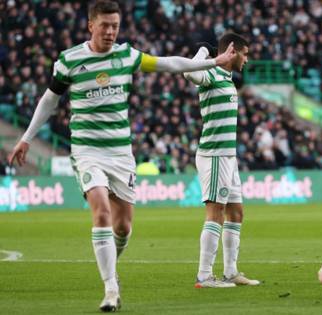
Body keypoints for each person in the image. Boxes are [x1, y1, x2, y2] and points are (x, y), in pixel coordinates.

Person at [6, 1, 235, 312]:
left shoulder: (127, 56)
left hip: (120, 153)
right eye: (105, 25)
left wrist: (214, 62)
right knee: (100, 210)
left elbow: (170, 64)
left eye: (115, 25)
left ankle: (111, 264)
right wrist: (26, 138)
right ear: (90, 25)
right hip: (87, 151)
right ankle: (111, 288)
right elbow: (50, 100)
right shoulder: (69, 61)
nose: (111, 31)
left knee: (123, 227)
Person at [183, 33, 260, 288]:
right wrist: (206, 53)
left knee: (236, 212)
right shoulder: (211, 74)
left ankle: (230, 272)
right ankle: (204, 276)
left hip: (229, 156)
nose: (247, 60)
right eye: (245, 53)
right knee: (215, 213)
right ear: (232, 51)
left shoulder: (226, 79)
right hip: (214, 155)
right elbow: (189, 73)